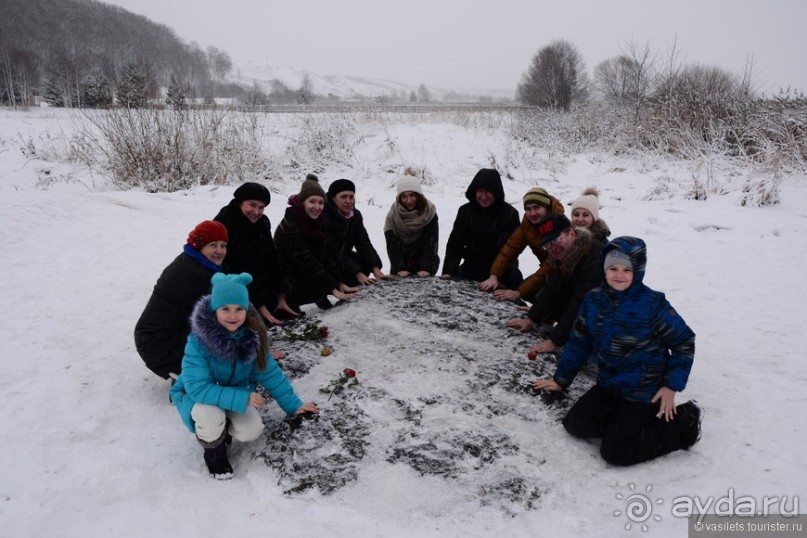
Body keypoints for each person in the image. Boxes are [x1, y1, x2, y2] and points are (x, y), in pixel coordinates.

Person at [532, 236, 701, 466]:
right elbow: (579, 341)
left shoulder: (653, 305)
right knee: (575, 424)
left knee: (615, 453)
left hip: (644, 390)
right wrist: (561, 380)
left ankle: (683, 423)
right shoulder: (593, 300)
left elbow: (684, 343)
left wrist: (670, 386)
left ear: (638, 271)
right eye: (612, 268)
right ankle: (621, 422)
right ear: (603, 269)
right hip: (610, 384)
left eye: (626, 269)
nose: (618, 275)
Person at [170, 272, 319, 479]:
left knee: (251, 429)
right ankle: (215, 454)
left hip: (235, 392)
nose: (233, 316)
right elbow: (198, 387)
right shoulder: (198, 340)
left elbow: (269, 372)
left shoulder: (252, 336)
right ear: (215, 310)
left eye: (239, 309)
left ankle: (224, 428)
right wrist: (243, 399)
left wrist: (293, 405)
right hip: (200, 398)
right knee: (210, 416)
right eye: (225, 309)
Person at [134, 220, 228, 379]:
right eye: (213, 245)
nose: (219, 251)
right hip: (159, 344)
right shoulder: (194, 274)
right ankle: (187, 379)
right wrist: (251, 351)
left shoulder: (196, 262)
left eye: (223, 245)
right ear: (200, 246)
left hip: (158, 338)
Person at [505, 214, 604, 354]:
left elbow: (581, 304)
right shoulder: (567, 254)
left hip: (609, 331)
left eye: (557, 239)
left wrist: (555, 340)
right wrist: (531, 319)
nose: (553, 247)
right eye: (547, 244)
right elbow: (553, 288)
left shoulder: (594, 260)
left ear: (571, 233)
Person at [214, 182, 299, 325]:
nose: (256, 212)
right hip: (233, 285)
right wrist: (258, 303)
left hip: (258, 281)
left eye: (261, 207)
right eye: (252, 205)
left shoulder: (263, 223)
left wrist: (281, 293)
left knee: (289, 308)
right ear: (240, 203)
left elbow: (272, 258)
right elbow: (232, 268)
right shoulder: (225, 224)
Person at [274, 174, 359, 309]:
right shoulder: (290, 227)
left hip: (299, 272)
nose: (317, 207)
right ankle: (290, 305)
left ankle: (322, 298)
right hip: (284, 279)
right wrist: (332, 288)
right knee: (317, 287)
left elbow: (324, 255)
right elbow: (306, 261)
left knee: (340, 267)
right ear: (302, 202)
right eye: (312, 201)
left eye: (320, 202)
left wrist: (340, 282)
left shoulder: (313, 222)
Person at [479, 187, 565, 302]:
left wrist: (519, 292)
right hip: (549, 271)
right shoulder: (527, 226)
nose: (532, 213)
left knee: (539, 297)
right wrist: (494, 275)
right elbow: (510, 248)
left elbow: (551, 265)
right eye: (528, 209)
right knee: (529, 291)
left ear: (547, 207)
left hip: (565, 275)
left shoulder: (560, 225)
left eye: (537, 208)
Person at [441, 168, 521, 287]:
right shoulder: (465, 211)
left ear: (496, 192)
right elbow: (455, 244)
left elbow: (509, 251)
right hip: (472, 267)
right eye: (480, 191)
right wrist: (448, 272)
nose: (483, 197)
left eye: (488, 191)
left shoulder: (510, 214)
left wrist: (496, 276)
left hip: (503, 271)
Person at [321, 178, 388, 286]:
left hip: (343, 256)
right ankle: (325, 295)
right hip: (325, 259)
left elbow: (363, 243)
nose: (348, 201)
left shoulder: (355, 215)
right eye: (343, 197)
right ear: (333, 198)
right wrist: (357, 273)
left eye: (351, 197)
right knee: (351, 268)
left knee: (365, 264)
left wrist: (375, 269)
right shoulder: (324, 216)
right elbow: (331, 251)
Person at [383, 169, 440, 277]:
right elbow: (392, 245)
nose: (408, 200)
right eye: (404, 196)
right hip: (401, 262)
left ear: (418, 195)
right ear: (399, 198)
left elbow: (431, 243)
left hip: (423, 262)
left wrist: (426, 268)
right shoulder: (392, 216)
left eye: (412, 195)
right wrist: (399, 268)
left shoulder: (429, 212)